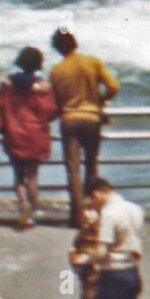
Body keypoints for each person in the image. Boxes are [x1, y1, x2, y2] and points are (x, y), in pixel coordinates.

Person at [50, 30, 120, 228]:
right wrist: (100, 101)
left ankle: (77, 217)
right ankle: (95, 212)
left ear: (57, 48)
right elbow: (114, 86)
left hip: (69, 119)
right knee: (92, 166)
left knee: (73, 170)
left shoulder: (57, 70)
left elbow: (54, 102)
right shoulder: (93, 62)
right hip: (91, 118)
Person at [0, 46, 57, 230]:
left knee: (18, 176)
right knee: (33, 176)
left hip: (13, 133)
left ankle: (22, 208)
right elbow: (50, 112)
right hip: (35, 136)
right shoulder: (43, 87)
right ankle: (32, 212)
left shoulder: (7, 85)